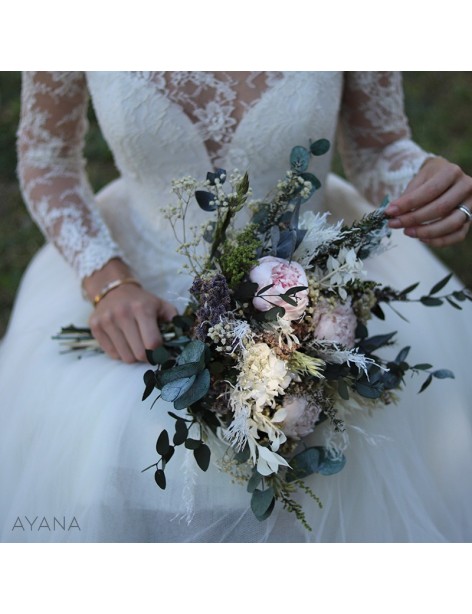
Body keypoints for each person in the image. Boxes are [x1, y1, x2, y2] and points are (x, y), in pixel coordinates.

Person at [0, 71, 471, 542]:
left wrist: (422, 182)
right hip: (137, 296)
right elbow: (47, 158)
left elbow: (378, 147)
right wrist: (108, 280)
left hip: (310, 291)